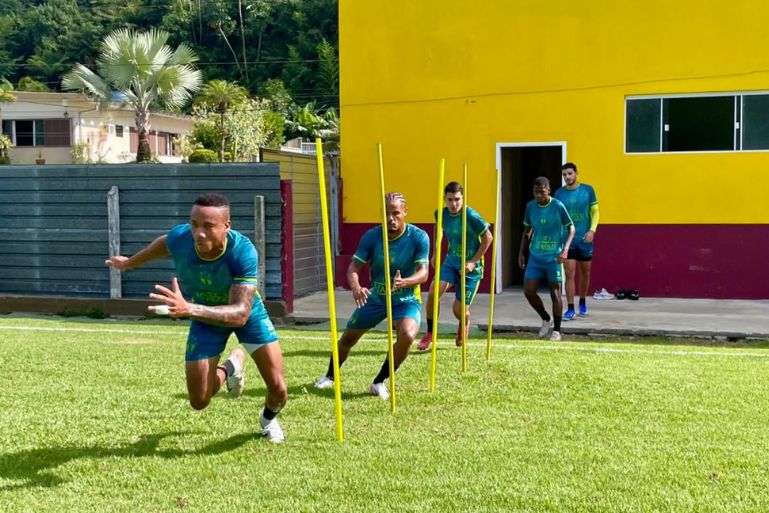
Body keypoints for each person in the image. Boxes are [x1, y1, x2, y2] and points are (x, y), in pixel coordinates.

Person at [105, 193, 287, 443]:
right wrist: (129, 263)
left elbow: (240, 313)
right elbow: (163, 243)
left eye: (208, 226)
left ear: (226, 227)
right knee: (199, 400)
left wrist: (189, 309)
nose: (198, 233)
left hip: (246, 314)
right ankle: (232, 365)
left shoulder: (243, 251)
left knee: (279, 390)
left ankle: (267, 420)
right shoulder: (182, 238)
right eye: (194, 224)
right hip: (205, 317)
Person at [314, 192, 429, 400]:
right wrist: (357, 287)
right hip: (376, 298)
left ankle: (379, 381)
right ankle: (330, 375)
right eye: (386, 213)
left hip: (406, 300)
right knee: (348, 339)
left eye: (395, 213)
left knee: (408, 335)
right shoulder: (372, 236)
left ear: (405, 212)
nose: (391, 218)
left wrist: (406, 282)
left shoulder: (419, 237)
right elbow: (353, 267)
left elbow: (424, 273)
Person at [418, 181, 492, 350]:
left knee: (457, 309)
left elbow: (488, 238)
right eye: (450, 200)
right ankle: (430, 332)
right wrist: (436, 252)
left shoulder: (471, 216)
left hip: (472, 268)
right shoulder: (441, 213)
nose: (454, 204)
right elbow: (439, 229)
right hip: (451, 262)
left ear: (462, 198)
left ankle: (463, 323)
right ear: (445, 199)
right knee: (433, 291)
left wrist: (473, 261)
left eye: (457, 199)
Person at [518, 177, 575, 341]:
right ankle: (545, 318)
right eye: (536, 192)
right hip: (535, 256)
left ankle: (557, 330)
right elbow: (527, 230)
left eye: (542, 192)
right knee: (528, 291)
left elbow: (571, 228)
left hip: (554, 257)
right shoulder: (530, 207)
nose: (539, 196)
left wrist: (565, 250)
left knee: (555, 293)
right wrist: (521, 253)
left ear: (548, 191)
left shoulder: (557, 206)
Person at [554, 162, 599, 320]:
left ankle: (583, 302)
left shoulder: (588, 190)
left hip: (584, 240)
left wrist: (592, 230)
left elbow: (595, 212)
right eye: (564, 175)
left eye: (569, 174)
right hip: (568, 241)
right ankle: (570, 308)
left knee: (585, 273)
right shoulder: (559, 194)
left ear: (576, 173)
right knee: (569, 273)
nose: (567, 177)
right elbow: (557, 218)